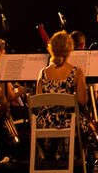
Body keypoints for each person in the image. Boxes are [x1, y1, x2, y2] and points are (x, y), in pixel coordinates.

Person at [34, 31, 89, 163]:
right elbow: (82, 101)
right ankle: (79, 159)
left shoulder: (43, 73)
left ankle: (51, 156)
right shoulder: (76, 72)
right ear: (70, 49)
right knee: (86, 125)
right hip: (68, 120)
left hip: (45, 122)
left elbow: (38, 101)